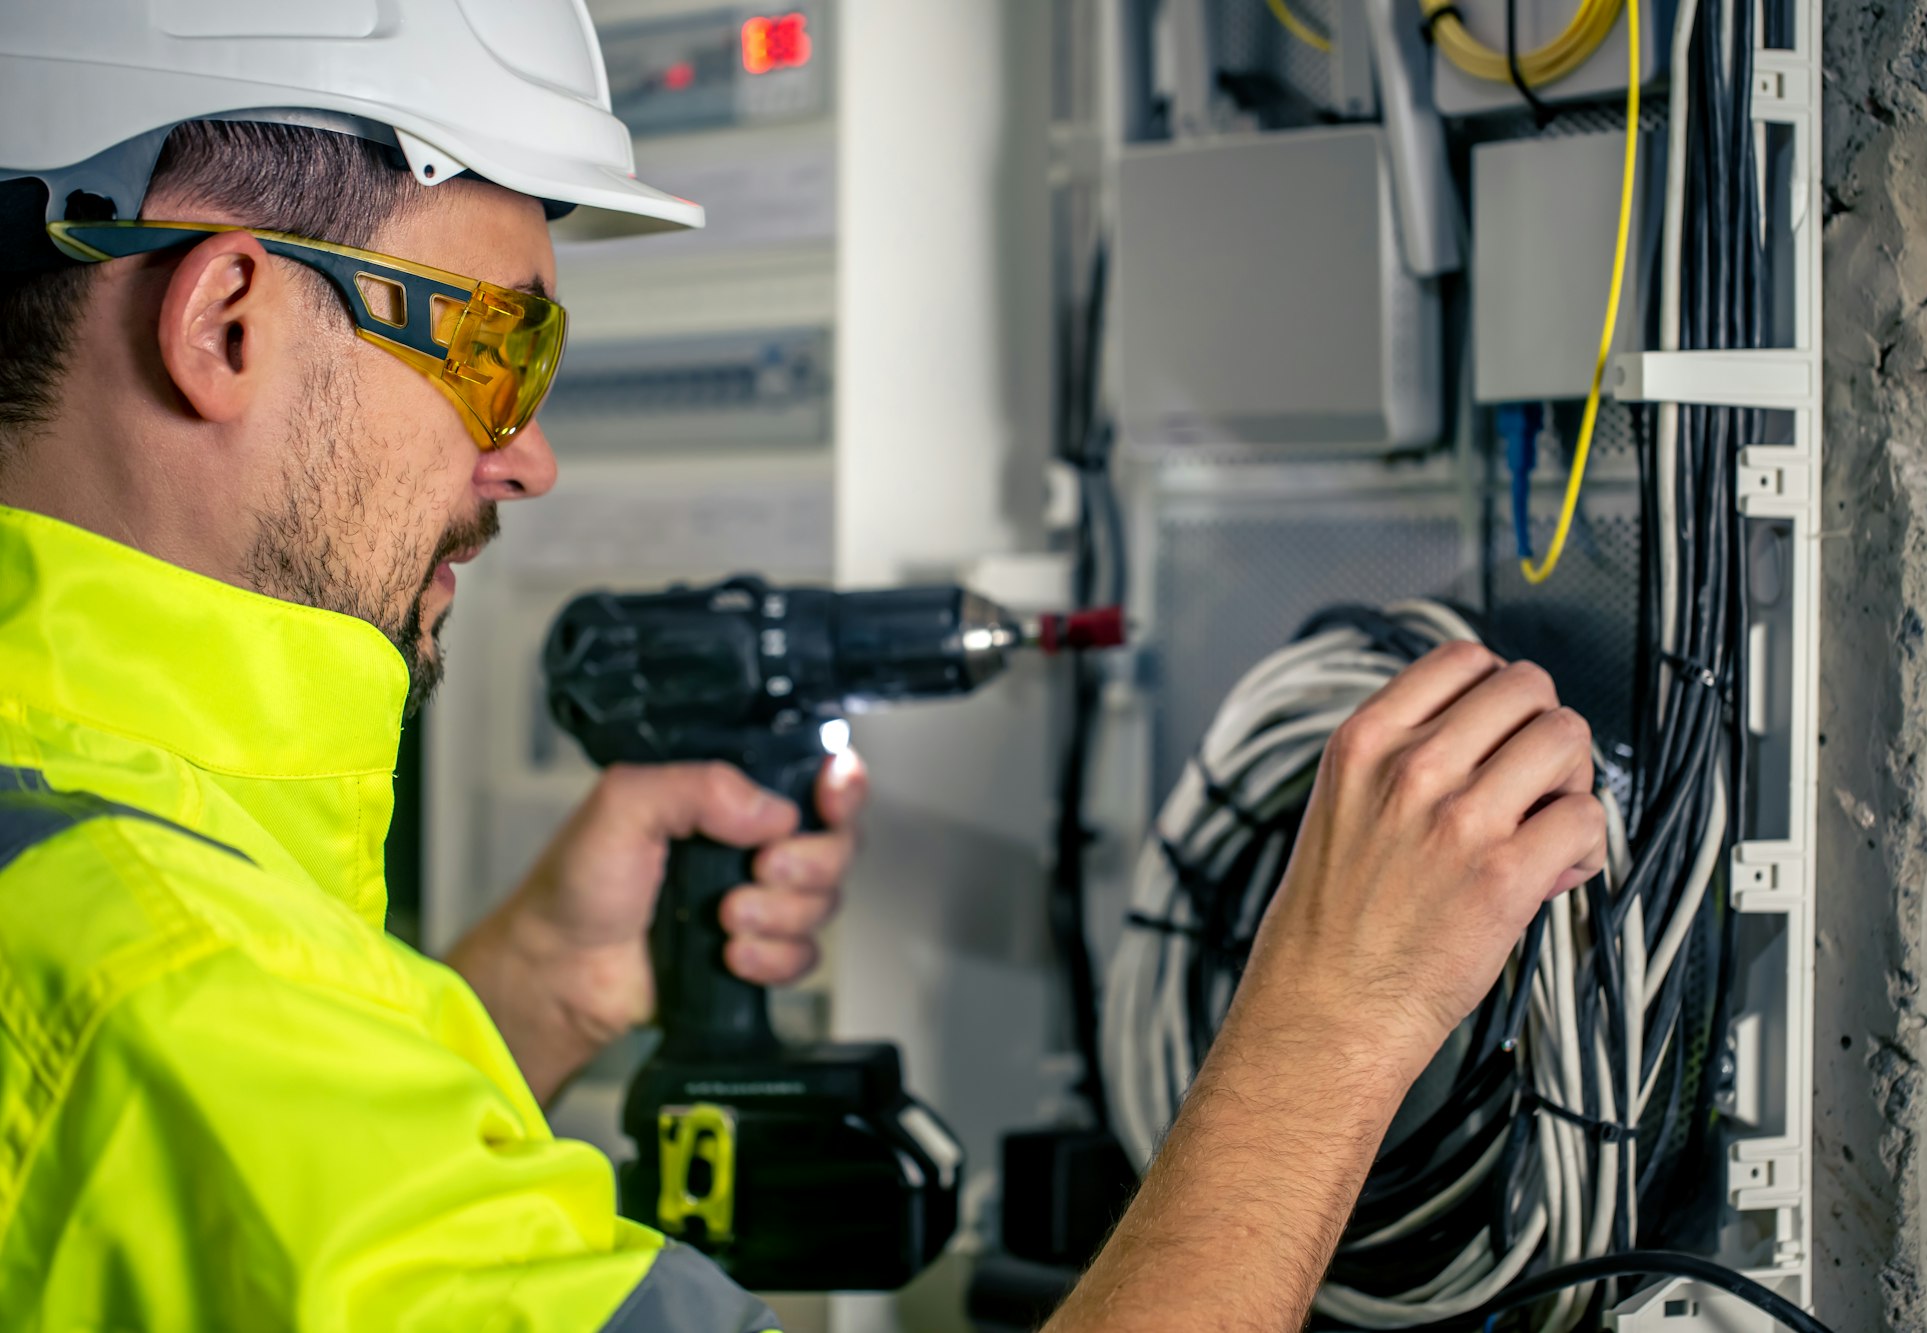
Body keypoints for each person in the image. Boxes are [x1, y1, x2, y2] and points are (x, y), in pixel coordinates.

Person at [0, 5, 1605, 1331]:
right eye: (500, 349)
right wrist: (1337, 1016)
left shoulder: (96, 886)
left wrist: (541, 981)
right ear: (225, 318)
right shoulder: (179, 999)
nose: (529, 455)